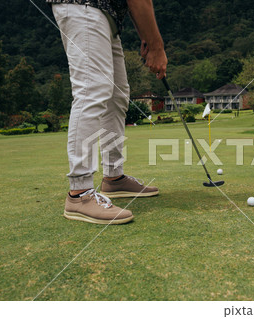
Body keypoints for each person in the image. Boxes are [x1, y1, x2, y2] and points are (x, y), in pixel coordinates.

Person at [46, 0, 167, 224]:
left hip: (105, 16)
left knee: (117, 97)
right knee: (92, 90)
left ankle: (114, 177)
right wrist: (157, 47)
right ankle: (79, 193)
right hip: (83, 6)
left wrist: (147, 39)